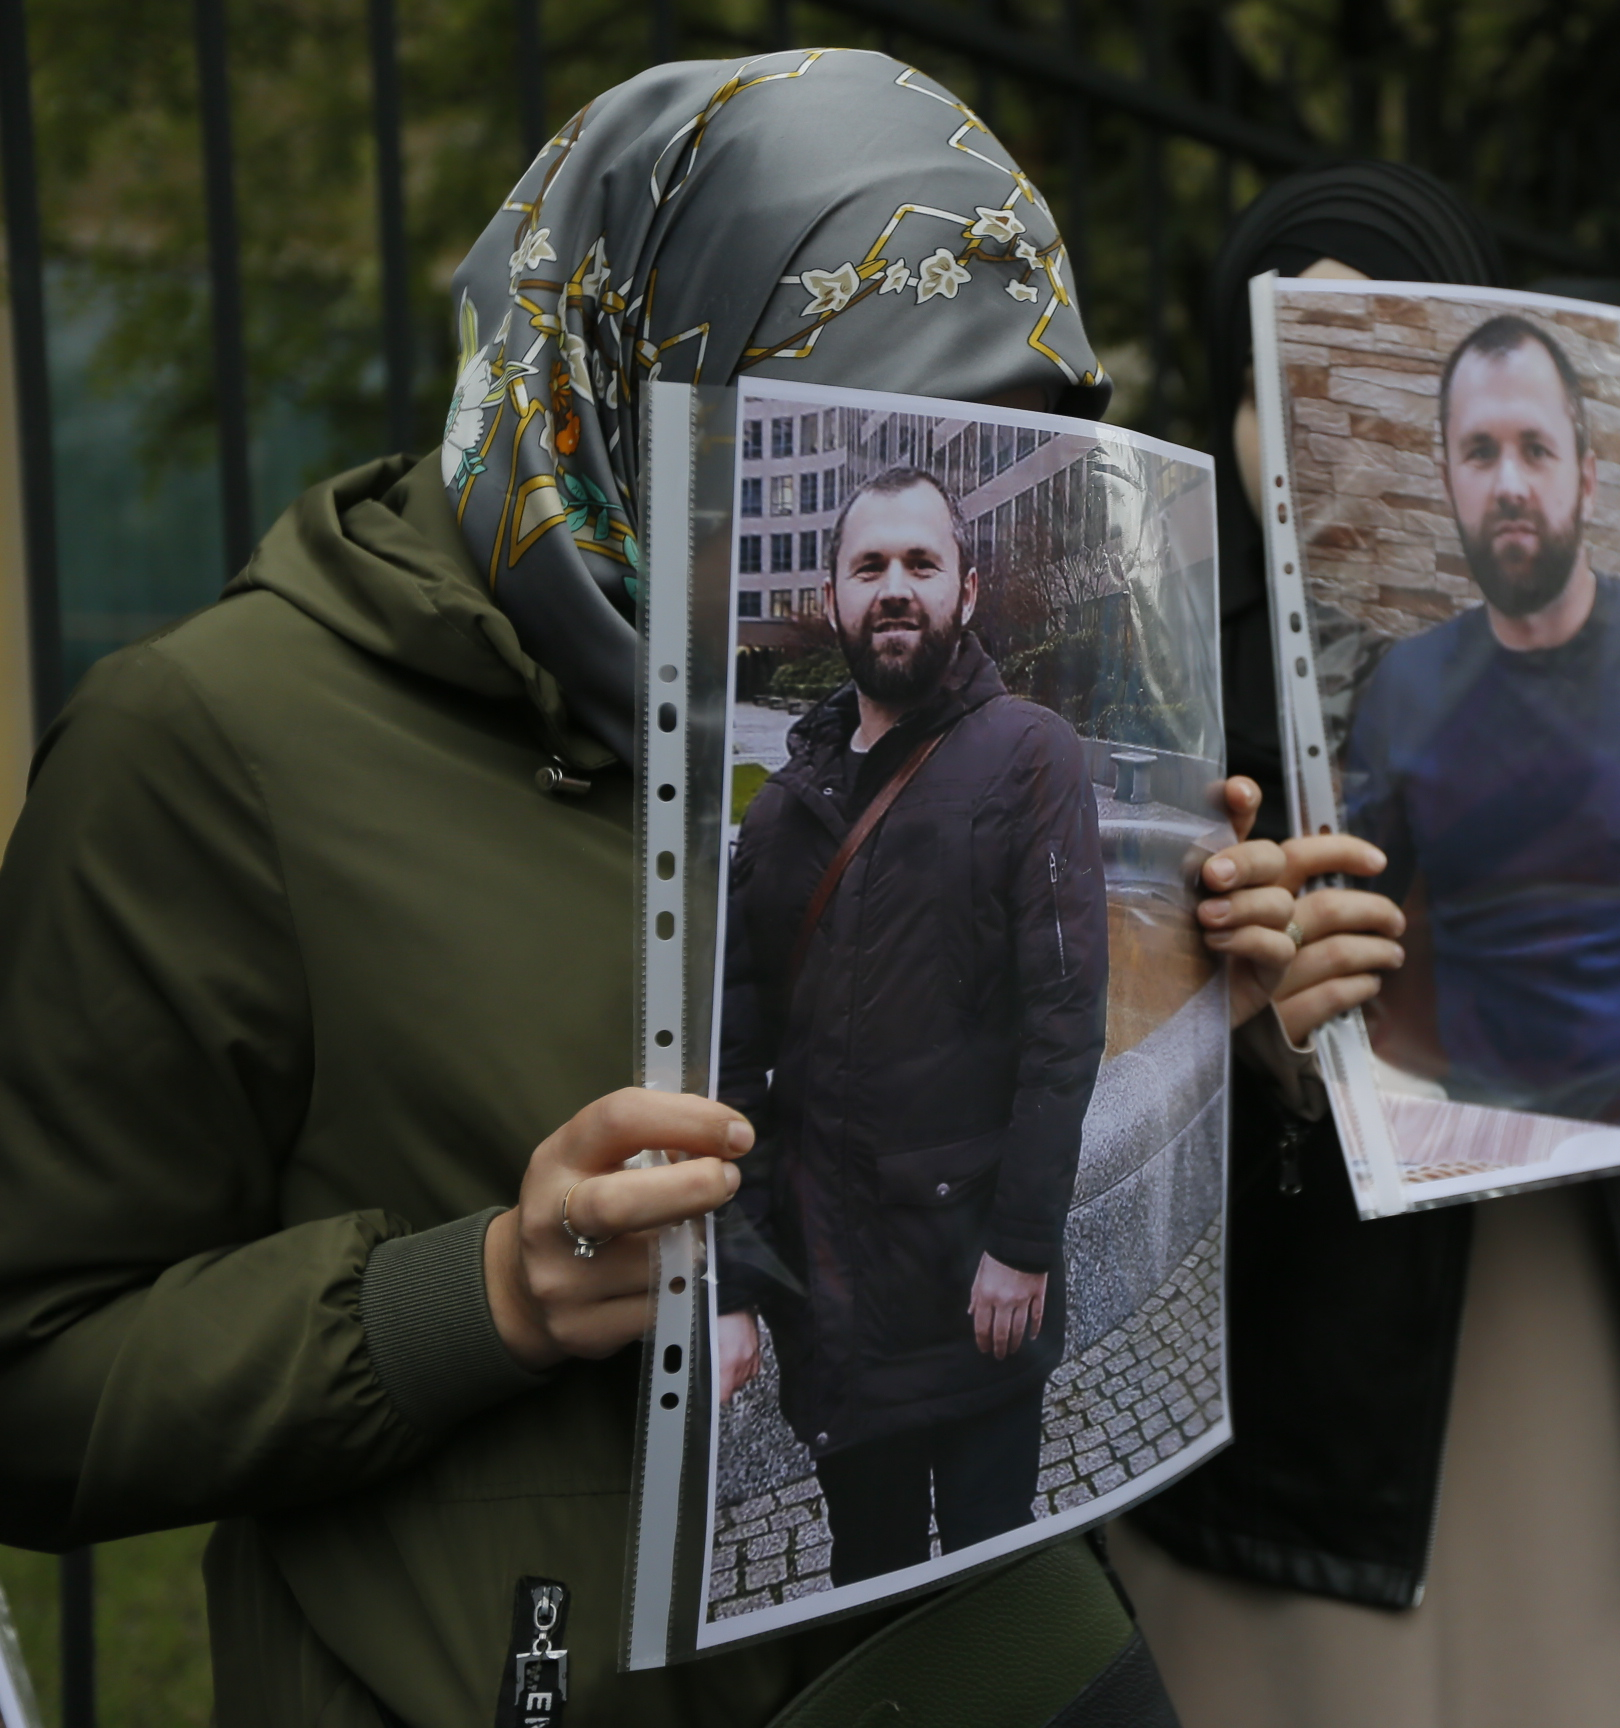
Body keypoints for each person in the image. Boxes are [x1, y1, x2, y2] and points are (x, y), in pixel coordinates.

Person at [0, 53, 1182, 1725]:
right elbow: (31, 1376)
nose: (885, 549)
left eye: (977, 460)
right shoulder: (212, 745)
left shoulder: (912, 721)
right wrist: (472, 1291)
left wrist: (1216, 1009)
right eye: (833, 446)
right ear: (632, 375)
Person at [1107, 162, 1620, 1728]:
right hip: (1291, 1421)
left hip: (1551, 1332)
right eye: (1268, 375)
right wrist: (1258, 1041)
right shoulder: (1139, 686)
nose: (1304, 421)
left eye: (1360, 359)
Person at [711, 467, 1108, 1582]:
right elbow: (737, 1067)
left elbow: (1065, 1025)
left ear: (966, 591)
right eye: (870, 567)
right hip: (835, 1308)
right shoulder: (783, 814)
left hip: (977, 1284)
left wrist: (1024, 1248)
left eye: (921, 565)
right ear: (832, 598)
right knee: (866, 1582)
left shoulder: (1030, 756)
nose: (896, 588)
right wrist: (736, 1281)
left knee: (990, 1587)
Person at [1342, 312, 1620, 1129]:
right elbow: (1356, 935)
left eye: (1536, 448)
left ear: (1587, 478)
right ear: (1447, 475)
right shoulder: (1407, 685)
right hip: (1483, 1142)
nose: (1510, 485)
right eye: (1481, 452)